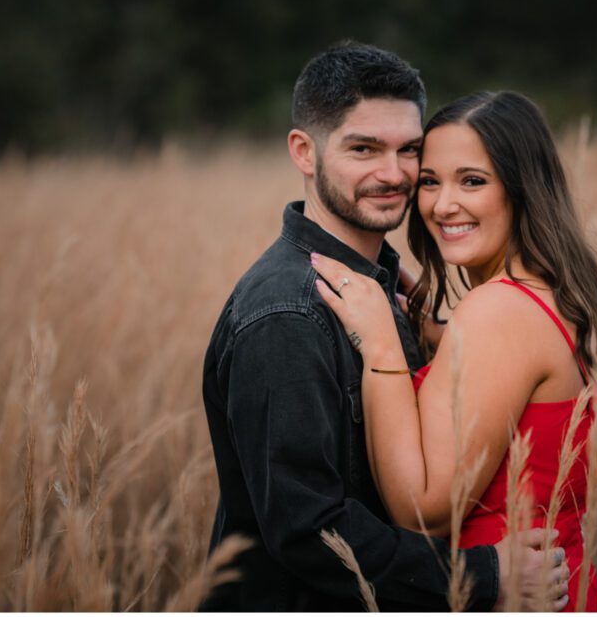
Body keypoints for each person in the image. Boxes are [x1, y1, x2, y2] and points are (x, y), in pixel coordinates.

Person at [199, 44, 570, 611]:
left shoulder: (387, 291)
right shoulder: (288, 313)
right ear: (304, 151)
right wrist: (480, 577)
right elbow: (307, 529)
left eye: (409, 150)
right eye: (364, 148)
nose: (393, 173)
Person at [310, 90, 597, 612]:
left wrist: (381, 344)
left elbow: (422, 511)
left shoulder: (498, 312)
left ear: (522, 188)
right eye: (430, 182)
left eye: (472, 181)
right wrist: (439, 335)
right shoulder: (558, 293)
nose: (443, 205)